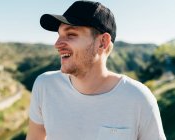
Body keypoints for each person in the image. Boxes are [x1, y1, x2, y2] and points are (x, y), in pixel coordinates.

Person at [26, 1, 166, 140]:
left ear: (102, 42)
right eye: (59, 35)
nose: (57, 44)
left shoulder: (139, 99)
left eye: (71, 35)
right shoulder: (44, 86)